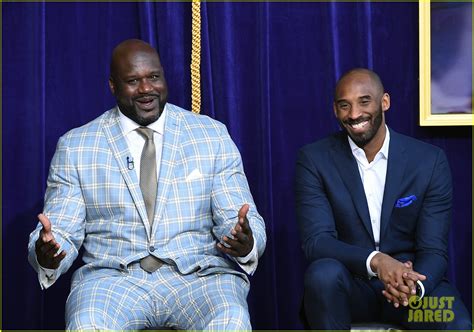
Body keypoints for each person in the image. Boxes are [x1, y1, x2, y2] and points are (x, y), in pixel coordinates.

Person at [28, 39, 266, 330]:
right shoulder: (77, 146)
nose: (146, 89)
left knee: (231, 320)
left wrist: (245, 242)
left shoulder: (211, 135)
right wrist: (48, 252)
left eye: (153, 77)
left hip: (200, 278)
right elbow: (61, 229)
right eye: (133, 81)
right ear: (113, 86)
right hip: (113, 281)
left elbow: (239, 216)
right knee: (87, 324)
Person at [295, 68, 471, 330]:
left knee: (454, 322)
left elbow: (433, 250)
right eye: (345, 106)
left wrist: (414, 287)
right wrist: (377, 261)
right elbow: (317, 242)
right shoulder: (314, 159)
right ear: (335, 110)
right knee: (322, 275)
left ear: (384, 102)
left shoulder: (428, 161)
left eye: (364, 101)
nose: (354, 115)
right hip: (350, 292)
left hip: (411, 297)